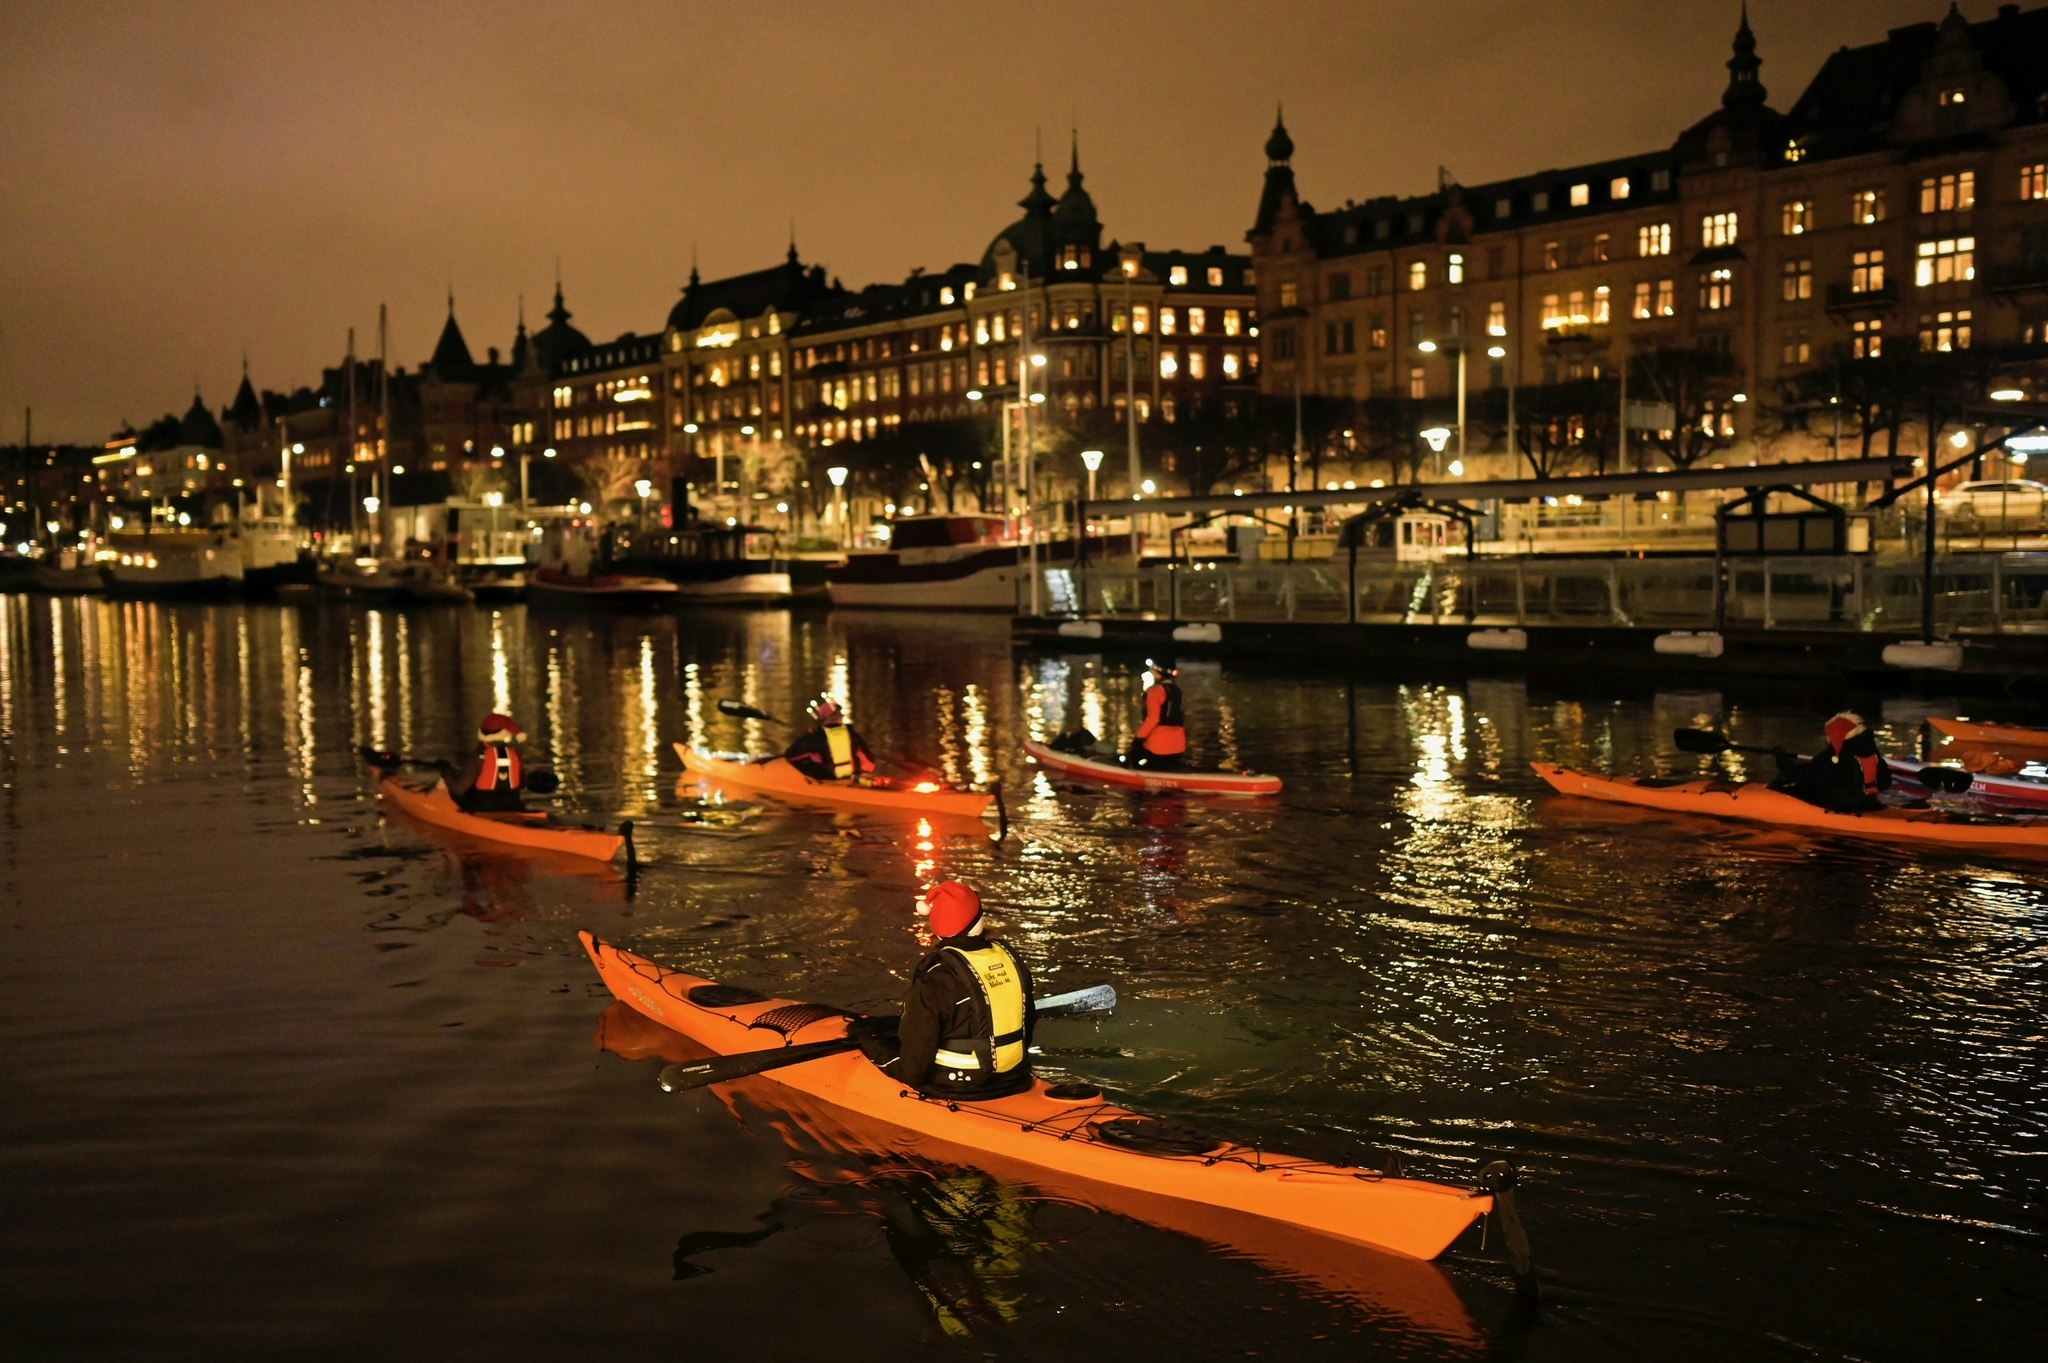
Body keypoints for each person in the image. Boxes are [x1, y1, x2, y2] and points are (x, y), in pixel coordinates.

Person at [873, 880, 1036, 1100]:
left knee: (870, 1039)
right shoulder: (1011, 960)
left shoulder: (936, 977)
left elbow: (913, 1069)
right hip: (1014, 1078)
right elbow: (1029, 1022)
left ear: (938, 928)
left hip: (957, 1088)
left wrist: (871, 1045)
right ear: (980, 918)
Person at [1771, 710, 1892, 813]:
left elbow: (1798, 774)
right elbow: (1886, 782)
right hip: (1869, 805)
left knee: (1785, 786)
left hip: (1841, 807)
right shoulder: (1874, 756)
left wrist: (1781, 759)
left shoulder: (1833, 757)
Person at [782, 695, 877, 782]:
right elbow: (870, 766)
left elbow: (790, 755)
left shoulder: (816, 737)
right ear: (840, 717)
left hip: (828, 780)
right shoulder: (853, 734)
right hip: (851, 779)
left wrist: (807, 736)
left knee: (804, 761)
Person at [450, 712, 528, 813]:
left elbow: (458, 789)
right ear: (506, 733)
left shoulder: (478, 755)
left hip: (484, 809)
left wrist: (447, 776)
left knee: (457, 792)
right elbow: (522, 784)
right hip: (513, 805)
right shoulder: (515, 754)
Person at [1125, 658, 1187, 771]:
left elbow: (1153, 719)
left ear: (1158, 672)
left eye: (1152, 668)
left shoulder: (1155, 691)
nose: (1150, 671)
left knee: (1132, 757)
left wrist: (1138, 739)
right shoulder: (1177, 691)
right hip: (1178, 744)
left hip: (1158, 746)